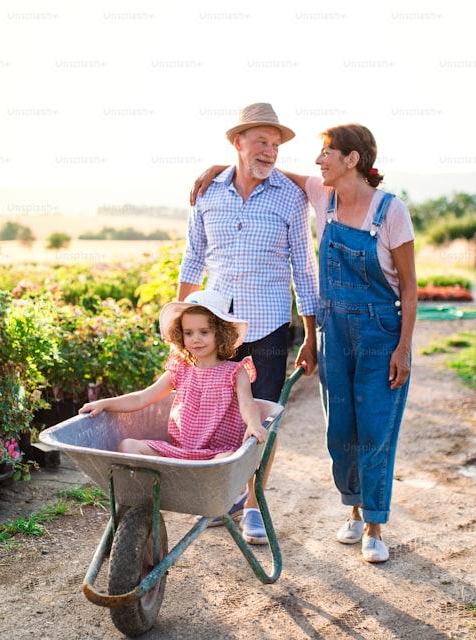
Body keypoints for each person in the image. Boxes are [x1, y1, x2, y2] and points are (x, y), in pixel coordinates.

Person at [191, 123, 417, 562]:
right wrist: (224, 166)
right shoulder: (321, 195)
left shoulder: (391, 212)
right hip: (337, 334)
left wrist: (403, 347)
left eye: (326, 153)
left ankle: (374, 525)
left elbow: (409, 288)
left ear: (352, 159)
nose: (318, 161)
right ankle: (352, 511)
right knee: (341, 431)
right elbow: (266, 171)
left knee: (375, 430)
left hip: (380, 333)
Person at [178, 102, 319, 544]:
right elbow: (193, 256)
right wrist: (179, 322)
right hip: (217, 324)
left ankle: (255, 503)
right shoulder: (209, 193)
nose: (270, 151)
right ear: (237, 142)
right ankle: (224, 496)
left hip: (270, 327)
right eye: (261, 141)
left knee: (262, 416)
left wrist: (311, 335)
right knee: (219, 414)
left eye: (275, 145)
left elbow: (304, 266)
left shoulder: (291, 197)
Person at [78, 289, 267, 462]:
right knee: (128, 445)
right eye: (188, 333)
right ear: (180, 335)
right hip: (179, 452)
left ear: (221, 334)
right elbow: (141, 398)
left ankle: (208, 490)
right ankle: (151, 495)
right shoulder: (181, 369)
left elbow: (248, 404)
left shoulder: (234, 372)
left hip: (217, 453)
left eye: (204, 332)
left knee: (226, 462)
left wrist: (253, 424)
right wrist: (104, 403)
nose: (196, 339)